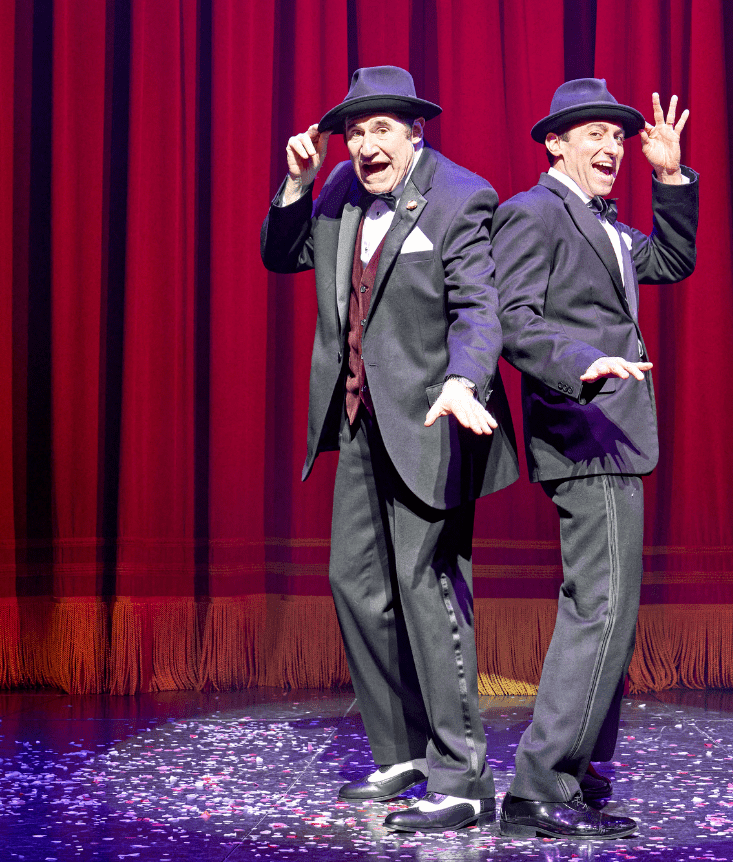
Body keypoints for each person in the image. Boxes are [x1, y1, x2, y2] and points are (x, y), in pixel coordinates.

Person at [260, 65, 517, 833]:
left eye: (382, 130)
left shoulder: (460, 195)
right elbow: (282, 254)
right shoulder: (338, 189)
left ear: (415, 134)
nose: (367, 145)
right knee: (353, 582)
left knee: (425, 587)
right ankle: (401, 752)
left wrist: (467, 381)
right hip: (359, 422)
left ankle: (462, 776)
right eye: (355, 131)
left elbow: (479, 308)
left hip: (435, 419)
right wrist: (295, 186)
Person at [490, 78, 698, 839]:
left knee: (613, 613)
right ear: (555, 143)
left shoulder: (603, 223)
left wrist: (671, 176)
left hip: (615, 433)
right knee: (598, 609)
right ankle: (538, 788)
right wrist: (582, 360)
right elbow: (513, 321)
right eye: (595, 135)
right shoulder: (531, 212)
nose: (613, 147)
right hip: (581, 429)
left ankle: (578, 781)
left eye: (619, 136)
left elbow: (673, 261)